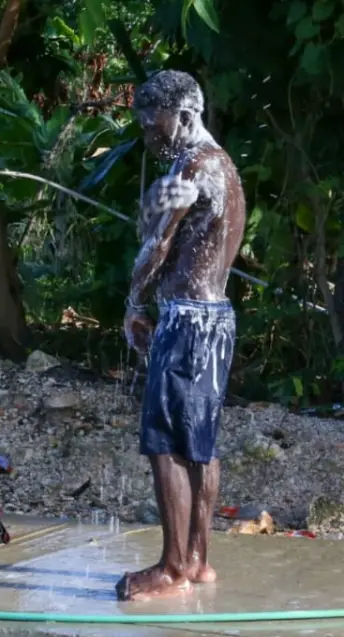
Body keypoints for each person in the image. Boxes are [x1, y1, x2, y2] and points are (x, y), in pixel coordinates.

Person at [117, 70, 245, 601]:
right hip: (217, 319)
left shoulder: (192, 167)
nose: (150, 136)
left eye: (154, 125)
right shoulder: (226, 168)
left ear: (186, 116)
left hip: (187, 321)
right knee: (200, 443)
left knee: (166, 444)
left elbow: (157, 248)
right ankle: (197, 560)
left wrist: (133, 304)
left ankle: (170, 567)